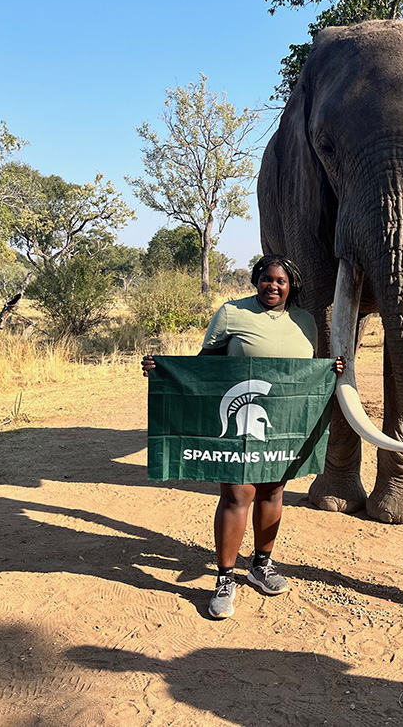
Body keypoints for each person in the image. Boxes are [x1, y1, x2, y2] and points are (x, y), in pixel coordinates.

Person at [142, 255, 344, 619]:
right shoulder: (232, 313)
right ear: (256, 280)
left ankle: (260, 566)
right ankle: (224, 578)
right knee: (238, 493)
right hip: (239, 421)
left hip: (284, 422)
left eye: (281, 281)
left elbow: (310, 368)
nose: (273, 286)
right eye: (266, 279)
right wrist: (165, 372)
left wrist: (332, 369)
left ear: (291, 285)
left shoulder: (305, 321)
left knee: (273, 491)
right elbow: (205, 362)